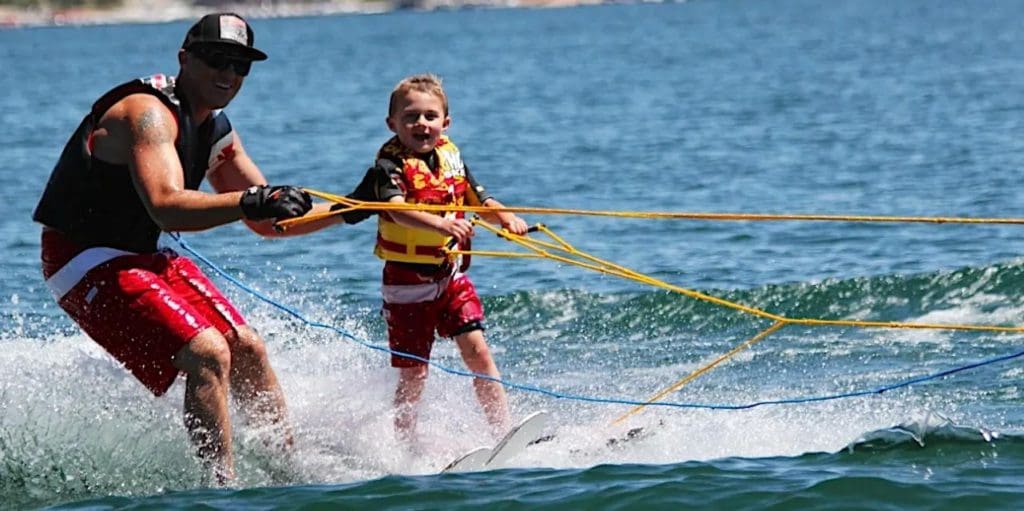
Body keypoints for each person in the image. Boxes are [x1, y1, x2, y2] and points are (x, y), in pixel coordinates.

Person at [32, 13, 349, 483]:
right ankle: (220, 488)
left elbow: (268, 223)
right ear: (185, 59)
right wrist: (251, 202)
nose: (228, 75)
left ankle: (289, 475)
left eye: (240, 66)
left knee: (247, 347)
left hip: (143, 255)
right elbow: (167, 208)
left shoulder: (216, 129)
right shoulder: (148, 114)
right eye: (217, 60)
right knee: (207, 351)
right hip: (82, 260)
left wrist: (353, 209)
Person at [355, 74, 529, 443]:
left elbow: (480, 201)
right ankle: (404, 446)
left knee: (478, 350)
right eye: (411, 117)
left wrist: (506, 218)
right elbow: (398, 212)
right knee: (415, 373)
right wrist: (442, 226)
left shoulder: (451, 158)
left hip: (449, 277)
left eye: (430, 116)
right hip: (405, 284)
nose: (422, 124)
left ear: (445, 123)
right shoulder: (387, 168)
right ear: (393, 124)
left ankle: (503, 432)